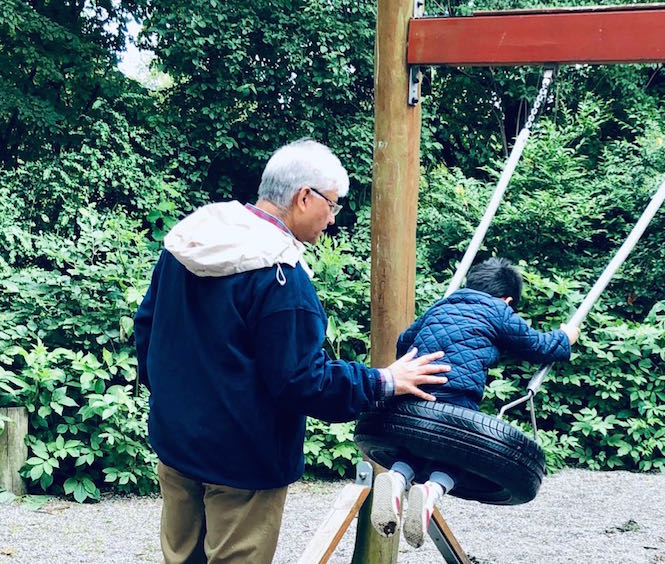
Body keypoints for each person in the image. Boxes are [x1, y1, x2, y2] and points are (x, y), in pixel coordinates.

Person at [133, 138, 451, 564]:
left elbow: (147, 328)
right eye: (333, 205)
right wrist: (385, 381)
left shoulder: (188, 242)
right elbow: (302, 380)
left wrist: (173, 403)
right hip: (243, 465)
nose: (333, 219)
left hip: (176, 447)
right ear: (304, 197)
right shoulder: (279, 274)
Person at [370, 257, 580, 548]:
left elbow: (406, 340)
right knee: (460, 453)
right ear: (507, 300)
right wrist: (565, 338)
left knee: (413, 446)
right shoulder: (499, 311)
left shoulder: (441, 305)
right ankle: (432, 491)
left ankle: (396, 478)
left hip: (412, 396)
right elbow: (537, 347)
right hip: (457, 397)